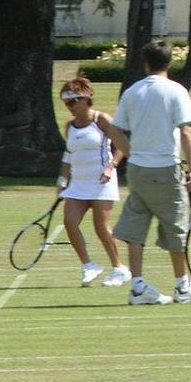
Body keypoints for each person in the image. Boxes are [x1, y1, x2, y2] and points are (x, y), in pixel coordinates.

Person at [110, 40, 191, 306]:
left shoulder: (132, 92)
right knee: (177, 228)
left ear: (146, 63)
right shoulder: (176, 91)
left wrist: (131, 153)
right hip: (166, 168)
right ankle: (182, 286)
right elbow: (187, 131)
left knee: (135, 228)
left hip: (138, 171)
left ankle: (138, 287)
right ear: (169, 62)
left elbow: (116, 129)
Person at [56, 77, 130, 287]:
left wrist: (111, 166)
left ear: (85, 99)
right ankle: (89, 265)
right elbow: (68, 155)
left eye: (72, 102)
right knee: (70, 223)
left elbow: (122, 146)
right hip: (78, 184)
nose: (69, 107)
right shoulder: (69, 126)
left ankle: (119, 268)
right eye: (66, 103)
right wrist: (62, 180)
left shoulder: (101, 120)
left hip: (102, 181)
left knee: (100, 226)